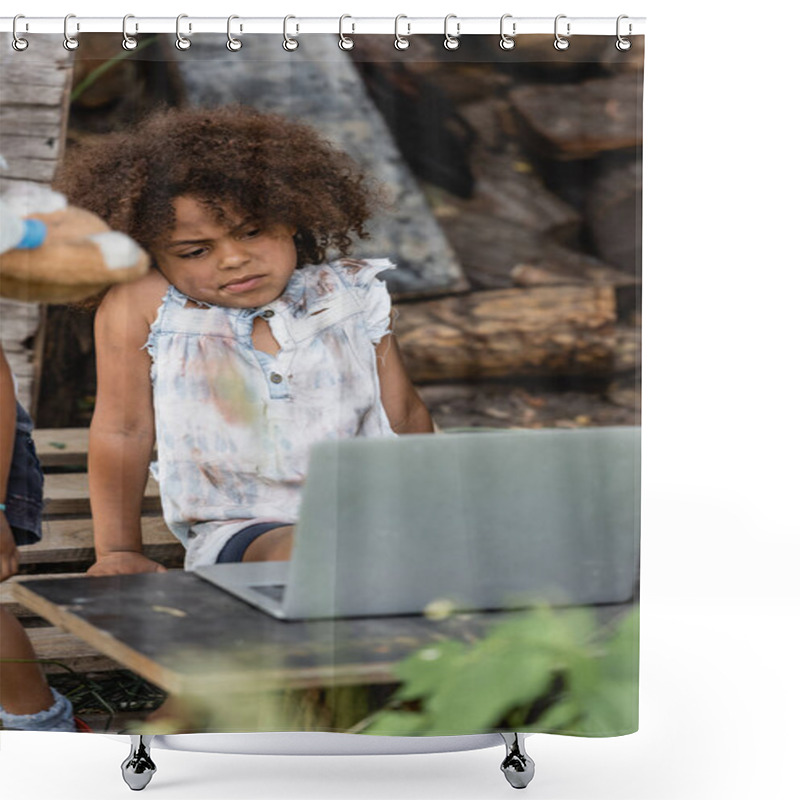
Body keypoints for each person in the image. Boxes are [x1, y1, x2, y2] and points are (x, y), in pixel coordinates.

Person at [55, 105, 434, 575]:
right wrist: (118, 552)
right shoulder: (146, 305)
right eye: (195, 250)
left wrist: (436, 514)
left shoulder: (350, 294)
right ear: (147, 251)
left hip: (374, 514)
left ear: (292, 215)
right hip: (244, 527)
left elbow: (402, 413)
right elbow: (123, 428)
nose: (234, 259)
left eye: (251, 232)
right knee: (314, 550)